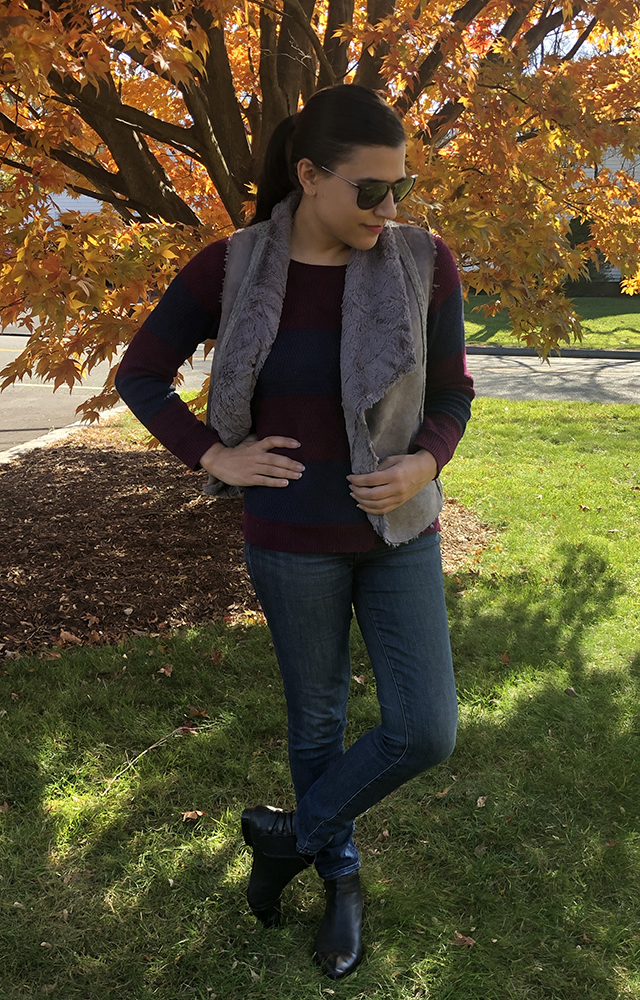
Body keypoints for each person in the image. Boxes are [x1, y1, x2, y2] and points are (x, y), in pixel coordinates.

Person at [115, 83, 474, 981]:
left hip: (398, 534)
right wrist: (214, 455)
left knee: (425, 731)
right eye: (370, 189)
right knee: (317, 721)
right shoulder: (231, 267)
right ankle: (339, 875)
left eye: (400, 187)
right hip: (289, 541)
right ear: (310, 176)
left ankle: (288, 839)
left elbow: (452, 394)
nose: (388, 208)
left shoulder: (423, 261)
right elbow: (142, 374)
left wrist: (425, 464)